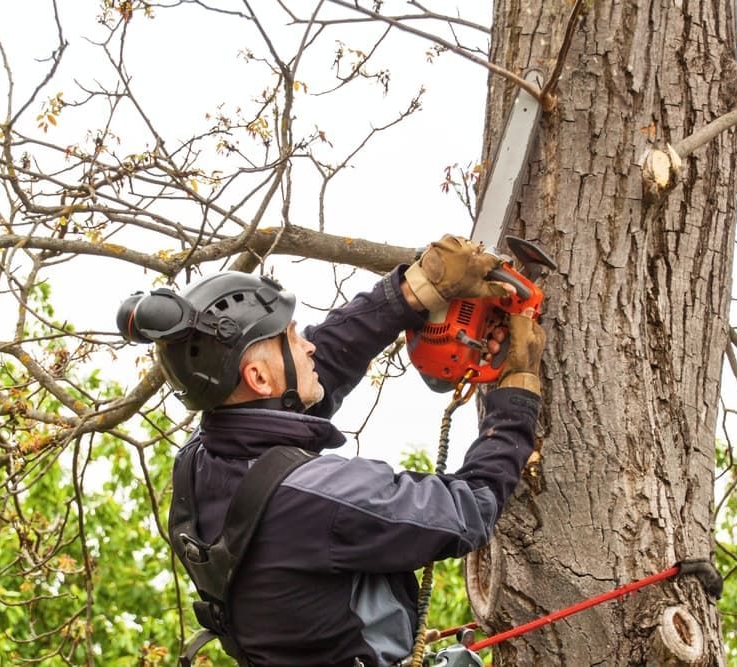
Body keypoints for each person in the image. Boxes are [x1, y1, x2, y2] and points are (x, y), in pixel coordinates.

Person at [117, 235, 545, 667]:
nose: (309, 345)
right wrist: (516, 395)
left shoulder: (199, 461)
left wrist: (412, 291)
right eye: (291, 336)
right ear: (260, 378)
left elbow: (323, 366)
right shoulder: (320, 496)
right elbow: (468, 510)